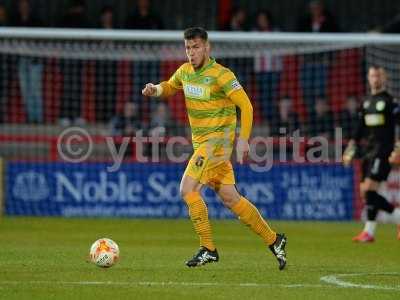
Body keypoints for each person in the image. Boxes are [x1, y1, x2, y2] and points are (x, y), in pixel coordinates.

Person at [142, 27, 287, 269]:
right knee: (231, 198)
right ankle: (275, 240)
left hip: (217, 144)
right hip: (203, 145)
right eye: (188, 48)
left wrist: (243, 140)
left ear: (207, 48)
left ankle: (208, 248)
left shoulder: (222, 75)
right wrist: (155, 90)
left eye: (196, 47)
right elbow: (170, 85)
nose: (191, 52)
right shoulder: (185, 72)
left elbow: (247, 107)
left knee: (187, 190)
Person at [343, 66, 400, 242]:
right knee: (365, 193)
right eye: (372, 76)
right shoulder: (366, 102)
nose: (375, 79)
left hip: (384, 150)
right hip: (368, 151)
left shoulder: (391, 102)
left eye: (378, 76)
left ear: (384, 79)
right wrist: (350, 148)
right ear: (368, 78)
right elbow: (359, 129)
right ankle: (369, 232)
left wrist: (398, 148)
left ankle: (395, 218)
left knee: (369, 190)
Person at [11, 0, 44, 123]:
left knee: (35, 90)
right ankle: (30, 118)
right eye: (21, 5)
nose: (23, 8)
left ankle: (39, 119)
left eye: (25, 5)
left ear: (29, 7)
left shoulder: (36, 21)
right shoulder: (15, 21)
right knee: (25, 91)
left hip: (34, 60)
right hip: (21, 59)